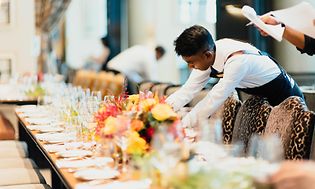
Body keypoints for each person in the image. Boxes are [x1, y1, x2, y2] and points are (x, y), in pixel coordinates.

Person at [165, 25, 304, 127]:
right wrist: (160, 112)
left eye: (191, 62)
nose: (190, 67)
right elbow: (187, 90)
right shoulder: (208, 54)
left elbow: (213, 99)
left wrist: (182, 126)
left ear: (207, 55)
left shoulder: (237, 60)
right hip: (261, 96)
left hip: (286, 94)